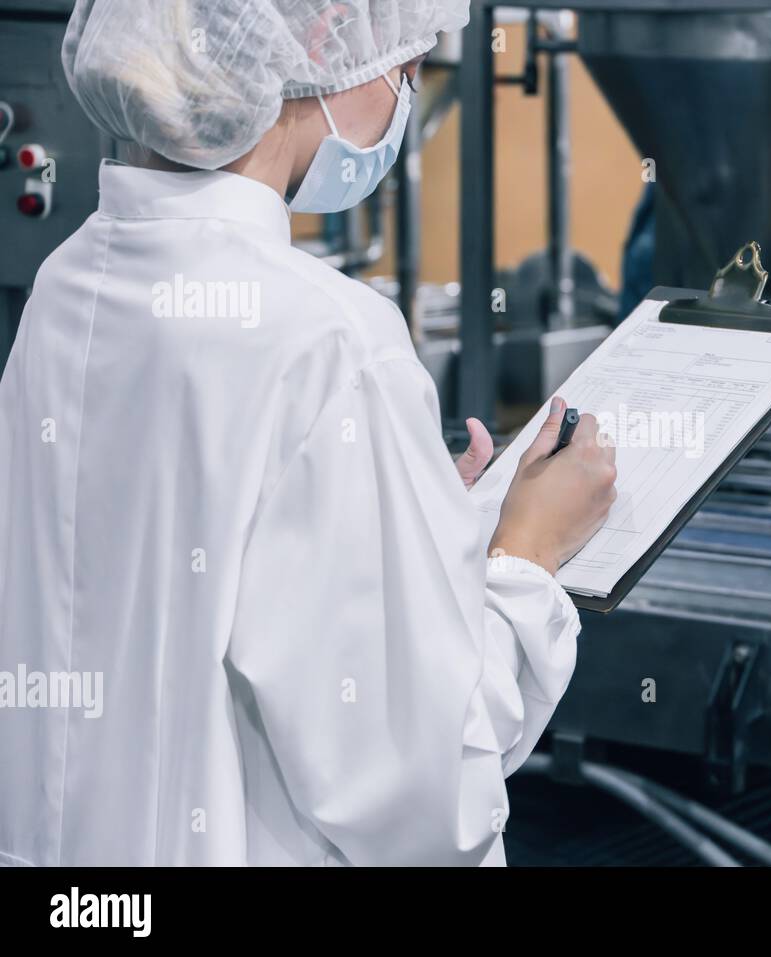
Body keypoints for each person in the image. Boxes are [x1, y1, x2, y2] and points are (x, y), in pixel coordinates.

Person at [0, 0, 615, 866]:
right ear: (323, 40)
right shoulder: (331, 338)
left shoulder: (65, 286)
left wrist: (413, 509)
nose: (405, 97)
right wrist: (528, 556)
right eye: (405, 69)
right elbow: (422, 787)